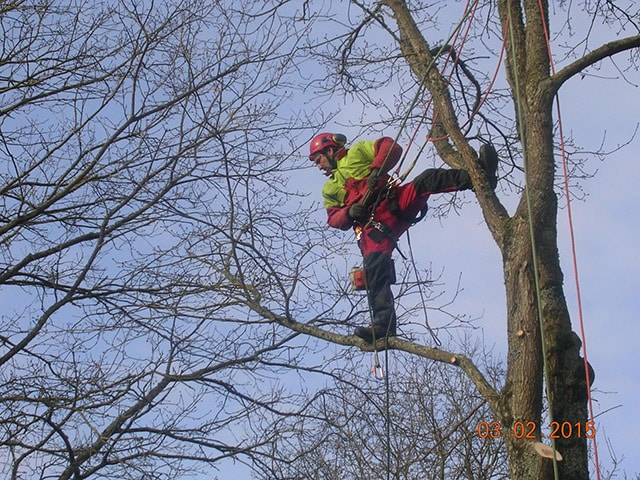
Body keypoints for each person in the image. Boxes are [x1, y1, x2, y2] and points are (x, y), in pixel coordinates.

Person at [309, 132, 498, 343]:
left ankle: (480, 177)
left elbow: (390, 146)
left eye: (319, 160)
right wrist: (349, 212)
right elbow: (333, 218)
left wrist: (376, 170)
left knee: (427, 179)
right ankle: (383, 325)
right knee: (375, 267)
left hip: (394, 201)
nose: (319, 166)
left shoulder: (358, 151)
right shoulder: (329, 188)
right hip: (373, 225)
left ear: (330, 150)